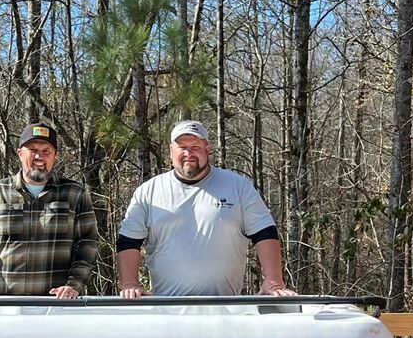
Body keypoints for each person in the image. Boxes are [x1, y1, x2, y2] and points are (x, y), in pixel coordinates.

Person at [116, 120, 297, 298]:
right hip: (166, 307)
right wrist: (130, 283)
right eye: (182, 147)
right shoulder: (149, 191)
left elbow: (264, 232)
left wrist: (273, 280)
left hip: (226, 307)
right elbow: (129, 240)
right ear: (171, 151)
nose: (189, 153)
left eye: (195, 146)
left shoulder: (238, 186)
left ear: (207, 148)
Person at [0, 124, 98, 299]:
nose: (39, 156)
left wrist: (74, 284)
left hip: (58, 304)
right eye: (33, 150)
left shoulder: (75, 193)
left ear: (55, 156)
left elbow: (88, 244)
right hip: (4, 305)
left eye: (47, 151)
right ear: (20, 153)